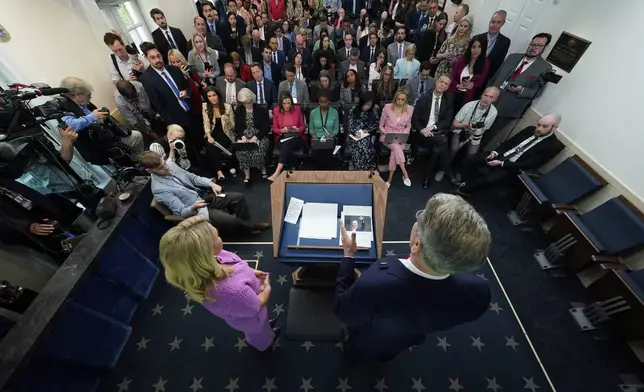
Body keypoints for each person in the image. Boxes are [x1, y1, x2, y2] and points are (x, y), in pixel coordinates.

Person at [334, 193, 491, 362]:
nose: (416, 222)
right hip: (409, 338)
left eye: (420, 220)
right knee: (387, 355)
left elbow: (343, 310)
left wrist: (348, 257)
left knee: (355, 352)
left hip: (370, 337)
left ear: (417, 244)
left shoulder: (374, 283)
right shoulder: (478, 293)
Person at [159, 216, 277, 352]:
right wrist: (267, 289)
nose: (220, 236)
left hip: (247, 307)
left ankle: (266, 329)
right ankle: (265, 344)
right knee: (259, 334)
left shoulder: (210, 260)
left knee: (264, 324)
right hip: (251, 318)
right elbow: (255, 307)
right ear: (204, 256)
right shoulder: (232, 291)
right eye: (217, 236)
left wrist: (252, 272)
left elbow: (236, 265)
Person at [141, 150, 270, 235]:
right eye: (161, 168)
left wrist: (211, 183)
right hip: (198, 209)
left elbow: (192, 177)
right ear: (149, 171)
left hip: (206, 196)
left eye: (165, 163)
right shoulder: (158, 189)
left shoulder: (170, 164)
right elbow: (181, 211)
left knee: (238, 197)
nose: (167, 168)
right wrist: (194, 207)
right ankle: (250, 226)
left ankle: (245, 225)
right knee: (231, 220)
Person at [454, 113, 564, 196]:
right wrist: (495, 152)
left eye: (544, 126)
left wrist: (502, 164)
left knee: (489, 179)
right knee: (470, 159)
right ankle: (465, 181)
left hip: (511, 166)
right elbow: (509, 143)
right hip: (500, 155)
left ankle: (465, 188)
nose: (539, 129)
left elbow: (529, 164)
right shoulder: (530, 129)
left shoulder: (552, 145)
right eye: (539, 124)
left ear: (554, 128)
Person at [483, 33, 554, 149]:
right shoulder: (513, 57)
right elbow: (494, 77)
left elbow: (536, 92)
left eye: (539, 46)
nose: (533, 47)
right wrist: (485, 94)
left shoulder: (545, 67)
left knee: (487, 136)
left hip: (508, 108)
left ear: (545, 48)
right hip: (489, 101)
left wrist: (521, 90)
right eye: (533, 44)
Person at [59, 77, 144, 156]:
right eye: (88, 95)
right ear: (76, 95)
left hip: (107, 137)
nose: (90, 97)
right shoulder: (64, 108)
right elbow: (71, 126)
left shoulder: (83, 104)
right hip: (97, 147)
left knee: (135, 136)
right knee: (136, 137)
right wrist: (93, 116)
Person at [139, 43, 196, 137]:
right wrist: (172, 124)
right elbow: (158, 105)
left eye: (158, 56)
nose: (157, 60)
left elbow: (188, 87)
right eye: (153, 57)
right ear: (146, 58)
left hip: (191, 111)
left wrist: (187, 92)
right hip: (176, 121)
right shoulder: (146, 79)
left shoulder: (174, 69)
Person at [410, 74, 453, 189]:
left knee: (437, 150)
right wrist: (422, 130)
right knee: (443, 142)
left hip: (436, 132)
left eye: (446, 84)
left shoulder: (448, 99)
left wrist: (433, 127)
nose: (442, 85)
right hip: (422, 133)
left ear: (448, 87)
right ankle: (448, 172)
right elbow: (414, 120)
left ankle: (427, 178)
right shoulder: (424, 97)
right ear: (436, 82)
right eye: (441, 81)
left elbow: (447, 121)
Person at [267, 92, 307, 181]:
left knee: (287, 145)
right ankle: (293, 167)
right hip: (282, 137)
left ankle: (277, 172)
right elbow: (275, 129)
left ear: (291, 102)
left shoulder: (297, 109)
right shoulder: (276, 111)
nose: (287, 106)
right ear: (281, 103)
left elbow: (303, 127)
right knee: (287, 145)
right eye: (284, 103)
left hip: (296, 137)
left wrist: (297, 130)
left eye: (288, 103)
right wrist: (282, 130)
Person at [235, 88, 271, 182]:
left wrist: (256, 137)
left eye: (248, 102)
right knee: (242, 150)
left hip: (259, 135)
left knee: (260, 148)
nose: (246, 105)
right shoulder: (239, 110)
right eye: (244, 103)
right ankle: (247, 174)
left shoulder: (262, 110)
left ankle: (262, 167)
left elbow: (265, 127)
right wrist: (242, 137)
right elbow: (238, 127)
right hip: (244, 136)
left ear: (252, 100)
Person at [379, 90, 413, 187]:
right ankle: (405, 173)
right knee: (395, 147)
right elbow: (381, 125)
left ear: (405, 101)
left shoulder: (409, 109)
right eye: (398, 99)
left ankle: (389, 179)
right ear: (395, 99)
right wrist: (385, 132)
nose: (400, 101)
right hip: (387, 136)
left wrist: (404, 134)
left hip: (400, 137)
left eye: (403, 100)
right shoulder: (387, 107)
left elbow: (408, 126)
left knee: (395, 150)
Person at [448, 36, 489, 114]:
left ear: (483, 49)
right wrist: (457, 85)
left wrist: (472, 84)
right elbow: (452, 77)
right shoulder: (462, 60)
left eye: (479, 47)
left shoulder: (485, 63)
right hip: (454, 92)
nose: (475, 50)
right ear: (470, 48)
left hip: (468, 96)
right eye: (473, 47)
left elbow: (481, 82)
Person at [202, 87, 235, 180]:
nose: (212, 98)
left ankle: (214, 175)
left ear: (218, 96)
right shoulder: (205, 107)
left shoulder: (227, 107)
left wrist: (227, 121)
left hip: (225, 134)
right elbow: (206, 123)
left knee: (212, 148)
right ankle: (219, 171)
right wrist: (208, 136)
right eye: (209, 96)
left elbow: (233, 127)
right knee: (210, 145)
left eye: (214, 95)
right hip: (211, 133)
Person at [472, 10, 511, 89]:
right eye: (493, 22)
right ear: (490, 22)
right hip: (470, 74)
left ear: (503, 23)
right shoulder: (477, 38)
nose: (494, 25)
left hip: (486, 81)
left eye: (498, 22)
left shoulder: (505, 42)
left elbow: (499, 63)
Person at [167, 49, 207, 118]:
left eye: (178, 61)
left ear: (182, 60)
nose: (176, 65)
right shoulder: (172, 76)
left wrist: (203, 84)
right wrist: (184, 76)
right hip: (191, 107)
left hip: (201, 101)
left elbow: (198, 83)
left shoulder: (190, 68)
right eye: (173, 62)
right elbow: (189, 90)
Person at [346, 91, 379, 170]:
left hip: (366, 135)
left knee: (366, 147)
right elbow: (350, 125)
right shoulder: (354, 110)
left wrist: (364, 132)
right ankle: (359, 166)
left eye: (369, 105)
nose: (366, 107)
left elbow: (374, 125)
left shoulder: (373, 111)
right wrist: (356, 133)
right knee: (360, 145)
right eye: (365, 104)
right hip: (353, 135)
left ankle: (366, 167)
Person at [434, 14, 472, 79]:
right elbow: (437, 55)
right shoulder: (450, 39)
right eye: (461, 25)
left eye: (465, 26)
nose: (462, 28)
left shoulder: (469, 44)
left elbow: (467, 62)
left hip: (452, 75)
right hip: (440, 71)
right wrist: (444, 55)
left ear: (469, 28)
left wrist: (456, 60)